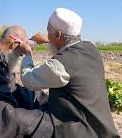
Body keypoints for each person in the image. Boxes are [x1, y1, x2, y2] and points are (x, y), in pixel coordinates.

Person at [19, 8, 119, 137]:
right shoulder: (91, 47)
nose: (47, 34)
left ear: (59, 35)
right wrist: (50, 39)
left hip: (80, 131)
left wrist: (27, 53)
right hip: (101, 129)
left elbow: (28, 79)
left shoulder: (60, 65)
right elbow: (69, 43)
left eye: (49, 31)